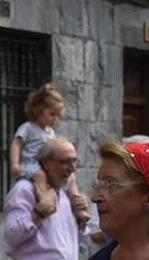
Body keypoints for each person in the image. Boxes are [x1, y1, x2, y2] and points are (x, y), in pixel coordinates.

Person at [10, 84, 90, 226]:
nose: (55, 119)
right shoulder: (28, 128)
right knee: (40, 176)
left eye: (57, 115)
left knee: (71, 177)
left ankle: (78, 207)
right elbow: (16, 144)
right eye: (52, 114)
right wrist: (15, 163)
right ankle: (44, 199)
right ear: (39, 111)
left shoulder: (50, 132)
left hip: (45, 164)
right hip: (31, 164)